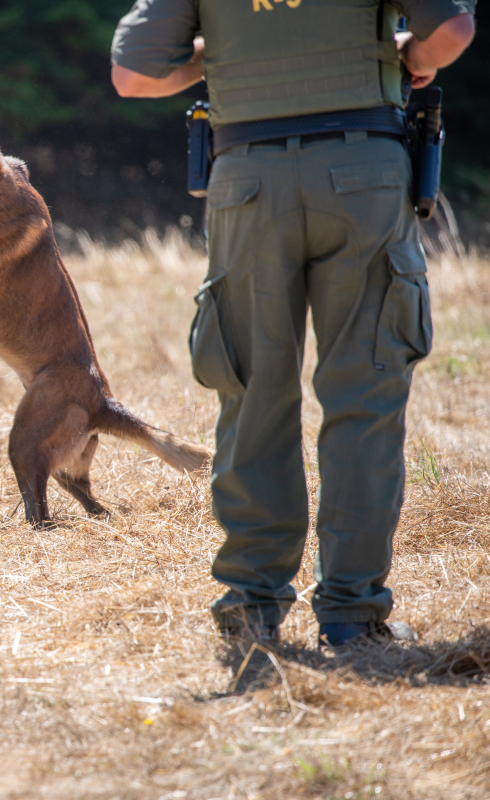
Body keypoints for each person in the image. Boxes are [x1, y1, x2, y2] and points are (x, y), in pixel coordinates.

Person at [110, 0, 475, 646]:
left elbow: (133, 75)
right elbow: (450, 30)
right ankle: (352, 616)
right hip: (364, 176)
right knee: (365, 395)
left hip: (248, 180)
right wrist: (407, 56)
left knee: (252, 396)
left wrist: (215, 57)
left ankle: (253, 606)